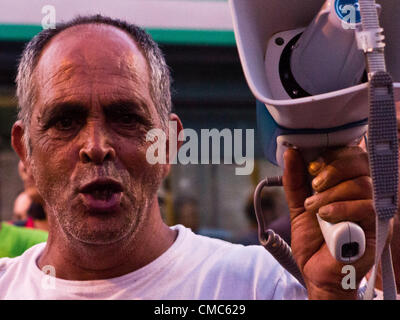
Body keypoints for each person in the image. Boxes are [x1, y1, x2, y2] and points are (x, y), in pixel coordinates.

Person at [0, 15, 376, 299]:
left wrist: (334, 294)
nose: (96, 146)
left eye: (127, 118)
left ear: (169, 144)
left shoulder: (266, 286)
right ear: (25, 150)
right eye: (64, 121)